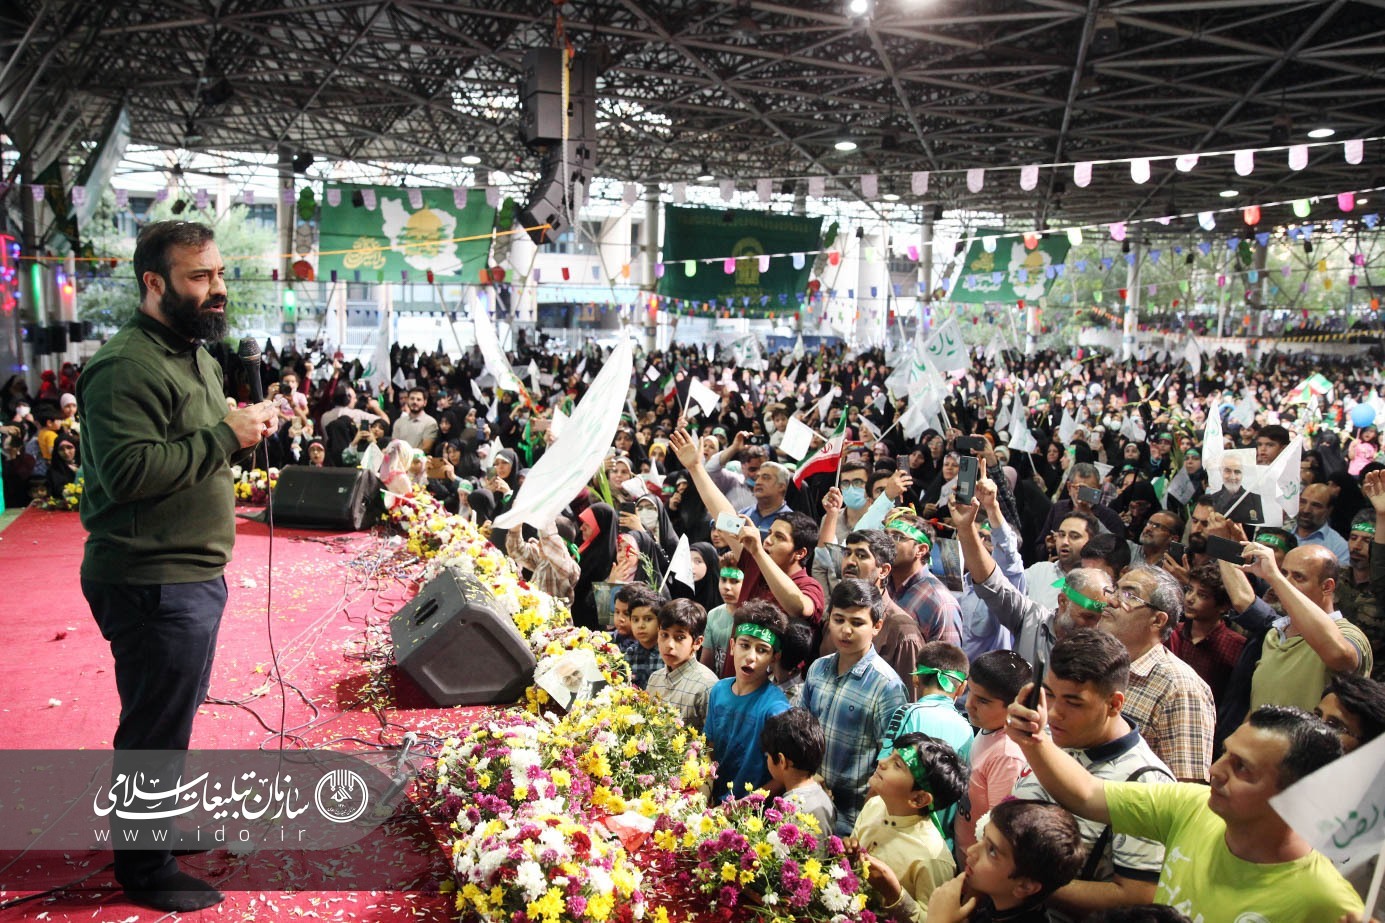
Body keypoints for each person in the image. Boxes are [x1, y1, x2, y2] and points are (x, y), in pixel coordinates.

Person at [77, 220, 278, 912]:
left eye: (219, 273)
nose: (218, 288)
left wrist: (236, 431)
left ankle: (153, 825)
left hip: (190, 571)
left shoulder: (196, 354)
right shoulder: (125, 367)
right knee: (155, 725)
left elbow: (194, 444)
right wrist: (224, 434)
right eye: (200, 276)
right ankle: (144, 866)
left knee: (175, 711)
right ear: (154, 282)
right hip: (148, 576)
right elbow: (129, 472)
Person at [1005, 696, 1363, 921]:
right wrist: (1035, 740)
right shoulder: (1193, 806)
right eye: (1225, 753)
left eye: (1242, 768)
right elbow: (1087, 794)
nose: (1215, 771)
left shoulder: (1326, 902)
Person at [1002, 629, 1172, 921]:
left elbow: (1136, 896)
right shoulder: (1047, 736)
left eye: (1073, 702)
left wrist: (1021, 881)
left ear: (1114, 704)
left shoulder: (1146, 783)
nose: (1055, 712)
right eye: (1049, 694)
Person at [803, 577, 910, 835]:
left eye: (857, 622)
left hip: (853, 822)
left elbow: (891, 763)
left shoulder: (887, 687)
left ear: (877, 626)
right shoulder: (817, 669)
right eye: (839, 620)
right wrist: (807, 777)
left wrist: (864, 824)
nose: (846, 630)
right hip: (807, 804)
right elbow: (802, 733)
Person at [1099, 564, 1217, 782]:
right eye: (1114, 590)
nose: (1111, 600)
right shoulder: (1100, 664)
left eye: (1128, 595)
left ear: (1158, 620)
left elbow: (1187, 788)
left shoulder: (1180, 687)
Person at [850, 732, 967, 923]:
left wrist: (895, 894)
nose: (882, 762)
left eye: (897, 765)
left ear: (919, 799)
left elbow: (934, 919)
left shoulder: (932, 858)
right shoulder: (875, 805)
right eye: (891, 755)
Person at [924, 800, 1086, 923]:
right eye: (983, 837)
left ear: (1024, 886)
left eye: (992, 851)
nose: (972, 851)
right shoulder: (994, 905)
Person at [703, 600, 792, 801]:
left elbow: (782, 778)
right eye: (744, 645)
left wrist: (738, 807)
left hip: (749, 811)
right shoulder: (718, 690)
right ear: (732, 646)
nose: (751, 657)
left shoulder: (776, 709)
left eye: (762, 650)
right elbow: (710, 747)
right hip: (713, 801)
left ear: (774, 657)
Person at [955, 649, 1033, 855]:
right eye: (970, 691)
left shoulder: (1007, 755)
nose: (969, 704)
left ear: (1015, 706)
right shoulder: (988, 727)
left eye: (983, 701)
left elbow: (999, 829)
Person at [1167, 563, 1246, 707]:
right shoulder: (1171, 632)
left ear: (1223, 606)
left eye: (1202, 595)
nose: (1190, 598)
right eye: (1189, 589)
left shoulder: (1236, 646)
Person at [645, 598, 719, 730]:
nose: (669, 645)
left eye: (679, 637)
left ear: (697, 642)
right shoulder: (654, 679)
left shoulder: (707, 686)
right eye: (664, 635)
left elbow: (714, 738)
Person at [760, 707, 836, 835]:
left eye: (768, 755)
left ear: (781, 760)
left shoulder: (788, 811)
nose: (767, 759)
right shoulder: (824, 797)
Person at [1294, 482, 1351, 567]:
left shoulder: (1339, 548)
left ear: (1329, 510)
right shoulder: (1282, 531)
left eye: (1316, 505)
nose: (1306, 510)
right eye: (1303, 502)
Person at [621, 585, 665, 689]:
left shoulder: (667, 654)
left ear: (660, 622)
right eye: (635, 620)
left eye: (648, 619)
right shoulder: (629, 654)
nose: (641, 625)